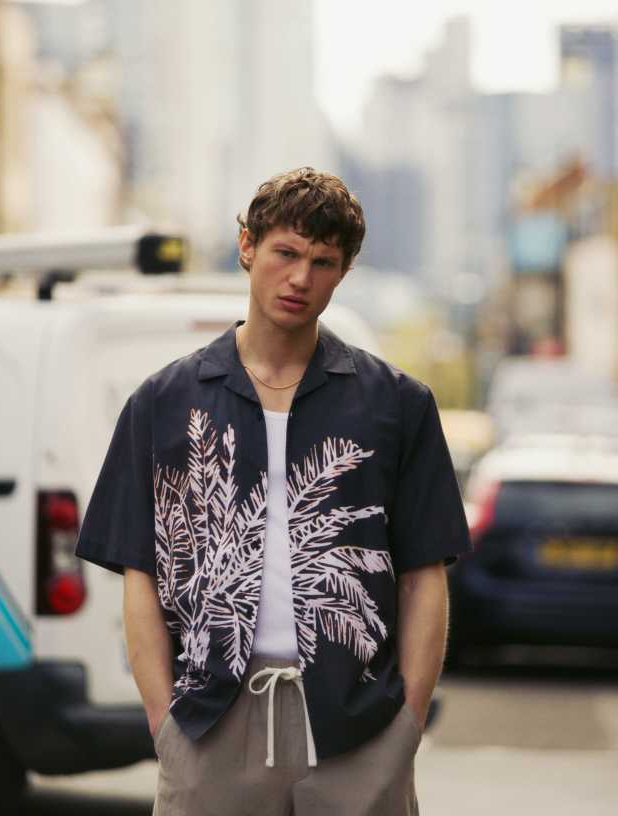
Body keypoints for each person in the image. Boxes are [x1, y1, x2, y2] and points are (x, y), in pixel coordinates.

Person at [76, 166, 472, 815]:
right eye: (286, 252)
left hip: (357, 728)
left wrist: (406, 725)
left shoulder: (398, 406)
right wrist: (163, 726)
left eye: (323, 262)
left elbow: (425, 574)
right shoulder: (163, 402)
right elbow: (139, 575)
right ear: (247, 246)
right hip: (211, 725)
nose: (300, 279)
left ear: (343, 273)